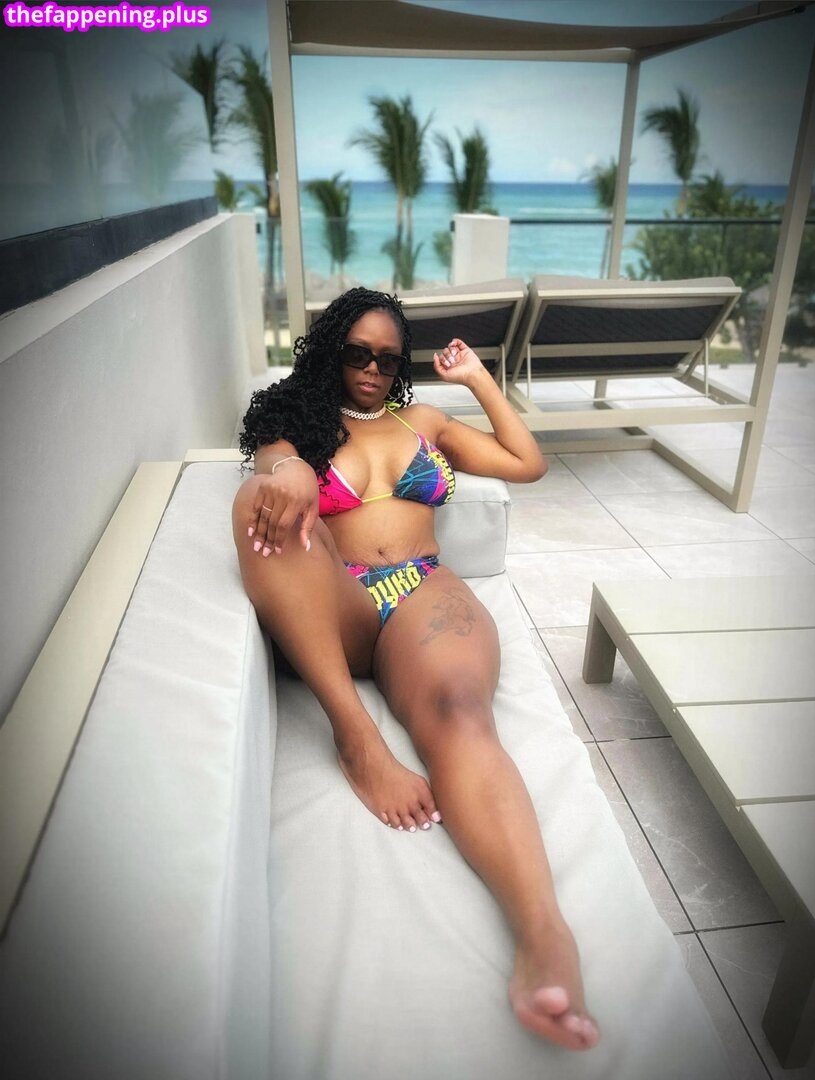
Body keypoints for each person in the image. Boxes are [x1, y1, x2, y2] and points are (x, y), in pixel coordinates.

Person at [232, 287, 600, 1052]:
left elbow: (526, 463)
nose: (371, 368)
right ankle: (356, 737)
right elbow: (272, 462)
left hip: (420, 593)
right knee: (256, 506)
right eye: (356, 353)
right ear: (330, 350)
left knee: (462, 713)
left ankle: (543, 938)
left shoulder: (422, 422)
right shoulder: (295, 420)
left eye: (387, 358)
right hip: (336, 604)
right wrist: (288, 469)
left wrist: (477, 380)